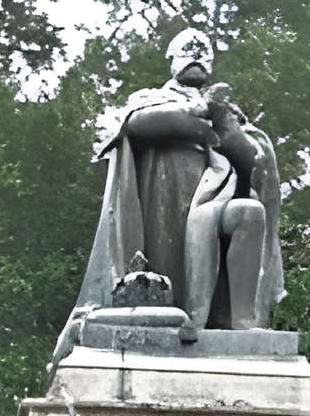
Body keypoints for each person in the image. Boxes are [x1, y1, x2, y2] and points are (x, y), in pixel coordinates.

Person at [52, 28, 284, 361]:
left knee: (250, 213)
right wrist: (201, 118)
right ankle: (177, 319)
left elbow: (252, 161)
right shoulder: (150, 98)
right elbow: (134, 125)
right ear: (171, 60)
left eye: (203, 53)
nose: (196, 58)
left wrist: (223, 122)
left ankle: (242, 324)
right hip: (166, 195)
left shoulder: (226, 110)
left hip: (216, 194)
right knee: (167, 270)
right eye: (187, 51)